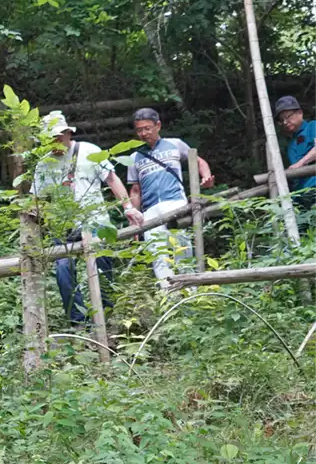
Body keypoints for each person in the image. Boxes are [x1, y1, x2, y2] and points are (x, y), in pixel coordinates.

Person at [32, 111, 143, 325]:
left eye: (58, 137)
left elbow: (111, 179)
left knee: (102, 266)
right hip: (63, 226)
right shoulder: (43, 165)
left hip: (95, 221)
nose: (56, 142)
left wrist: (128, 207)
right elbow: (38, 199)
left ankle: (105, 315)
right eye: (50, 139)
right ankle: (78, 322)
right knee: (64, 271)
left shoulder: (89, 152)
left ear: (67, 134)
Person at [127, 108, 213, 284]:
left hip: (175, 203)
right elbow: (135, 190)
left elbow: (197, 160)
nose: (144, 133)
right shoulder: (134, 157)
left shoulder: (175, 144)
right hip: (150, 211)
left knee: (182, 248)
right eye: (139, 130)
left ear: (158, 125)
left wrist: (206, 176)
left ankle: (191, 291)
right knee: (157, 254)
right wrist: (133, 218)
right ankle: (168, 294)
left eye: (147, 128)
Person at [273, 95, 316, 213]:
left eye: (288, 117)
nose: (285, 122)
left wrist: (300, 163)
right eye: (281, 120)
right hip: (299, 196)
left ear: (300, 113)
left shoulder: (313, 126)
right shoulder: (291, 143)